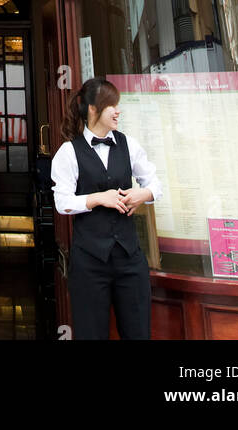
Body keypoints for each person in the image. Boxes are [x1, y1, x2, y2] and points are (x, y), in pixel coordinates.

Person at [51, 76, 161, 340]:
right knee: (91, 334)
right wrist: (99, 198)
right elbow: (62, 202)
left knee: (138, 333)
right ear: (92, 109)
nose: (117, 111)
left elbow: (155, 184)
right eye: (111, 105)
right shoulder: (68, 152)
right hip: (89, 262)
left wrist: (141, 194)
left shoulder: (128, 144)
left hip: (129, 258)